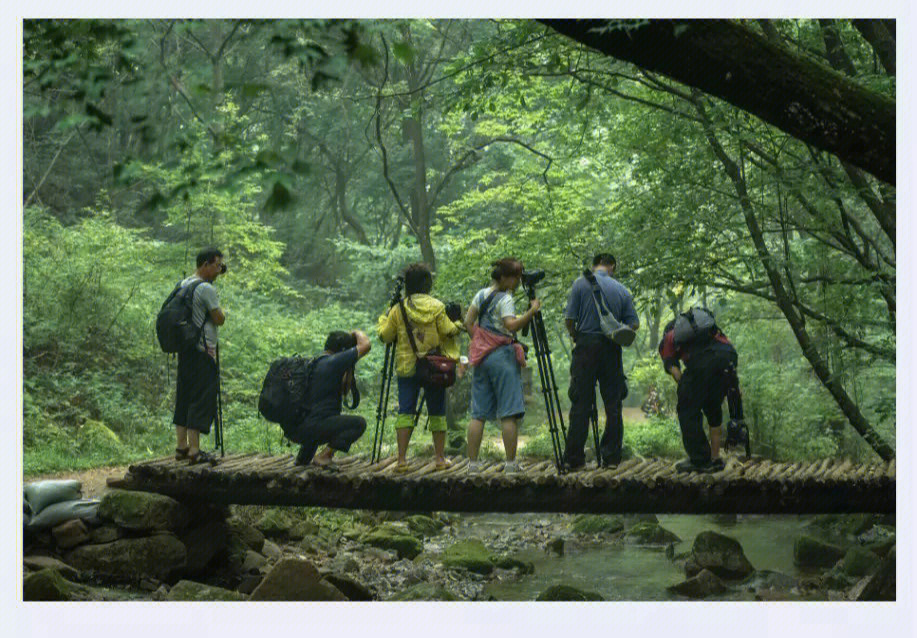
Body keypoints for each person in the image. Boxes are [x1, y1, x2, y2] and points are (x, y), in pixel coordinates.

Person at [377, 263, 463, 472]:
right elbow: (449, 331)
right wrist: (458, 323)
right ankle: (440, 459)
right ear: (427, 284)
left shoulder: (398, 308)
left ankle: (401, 460)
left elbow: (384, 336)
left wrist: (383, 317)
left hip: (407, 367)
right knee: (437, 412)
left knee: (405, 411)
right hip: (433, 367)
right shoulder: (437, 306)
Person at [563, 253, 639, 470]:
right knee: (613, 404)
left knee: (581, 404)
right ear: (612, 266)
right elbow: (634, 324)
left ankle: (574, 459)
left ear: (594, 265)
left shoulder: (580, 284)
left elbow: (569, 320)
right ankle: (611, 457)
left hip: (585, 346)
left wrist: (576, 335)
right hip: (611, 348)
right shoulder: (621, 290)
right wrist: (616, 331)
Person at [464, 258, 540, 474]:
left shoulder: (481, 294)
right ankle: (510, 464)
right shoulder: (505, 298)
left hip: (482, 358)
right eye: (516, 277)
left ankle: (473, 465)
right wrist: (532, 311)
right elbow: (511, 325)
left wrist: (480, 342)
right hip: (502, 358)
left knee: (478, 413)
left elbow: (468, 322)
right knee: (508, 412)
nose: (517, 281)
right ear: (506, 277)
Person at [658, 308, 745, 472]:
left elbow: (675, 371)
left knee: (686, 410)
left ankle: (700, 460)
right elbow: (727, 347)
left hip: (704, 362)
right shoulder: (709, 329)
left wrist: (688, 390)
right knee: (713, 406)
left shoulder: (669, 337)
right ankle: (715, 458)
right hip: (728, 358)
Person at [172, 247, 227, 465]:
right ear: (205, 264)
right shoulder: (205, 289)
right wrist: (222, 312)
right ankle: (195, 450)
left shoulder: (183, 283)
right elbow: (219, 318)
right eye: (217, 265)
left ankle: (181, 446)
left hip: (185, 349)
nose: (219, 269)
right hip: (203, 351)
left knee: (184, 395)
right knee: (201, 397)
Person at [293, 330, 372, 467]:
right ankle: (325, 456)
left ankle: (303, 459)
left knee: (319, 416)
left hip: (293, 429)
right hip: (312, 428)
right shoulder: (335, 362)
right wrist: (355, 332)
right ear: (342, 351)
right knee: (359, 424)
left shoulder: (314, 363)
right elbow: (366, 345)